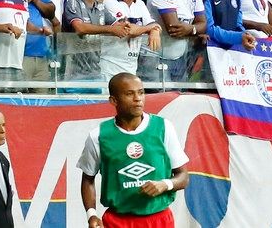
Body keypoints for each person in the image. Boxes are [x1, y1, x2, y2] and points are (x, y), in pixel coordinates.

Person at [78, 72, 190, 228]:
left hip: (159, 220)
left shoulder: (163, 128)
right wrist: (91, 215)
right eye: (129, 94)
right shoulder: (98, 136)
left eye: (141, 92)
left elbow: (183, 177)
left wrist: (165, 184)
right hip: (117, 221)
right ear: (113, 100)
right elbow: (87, 179)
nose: (138, 98)